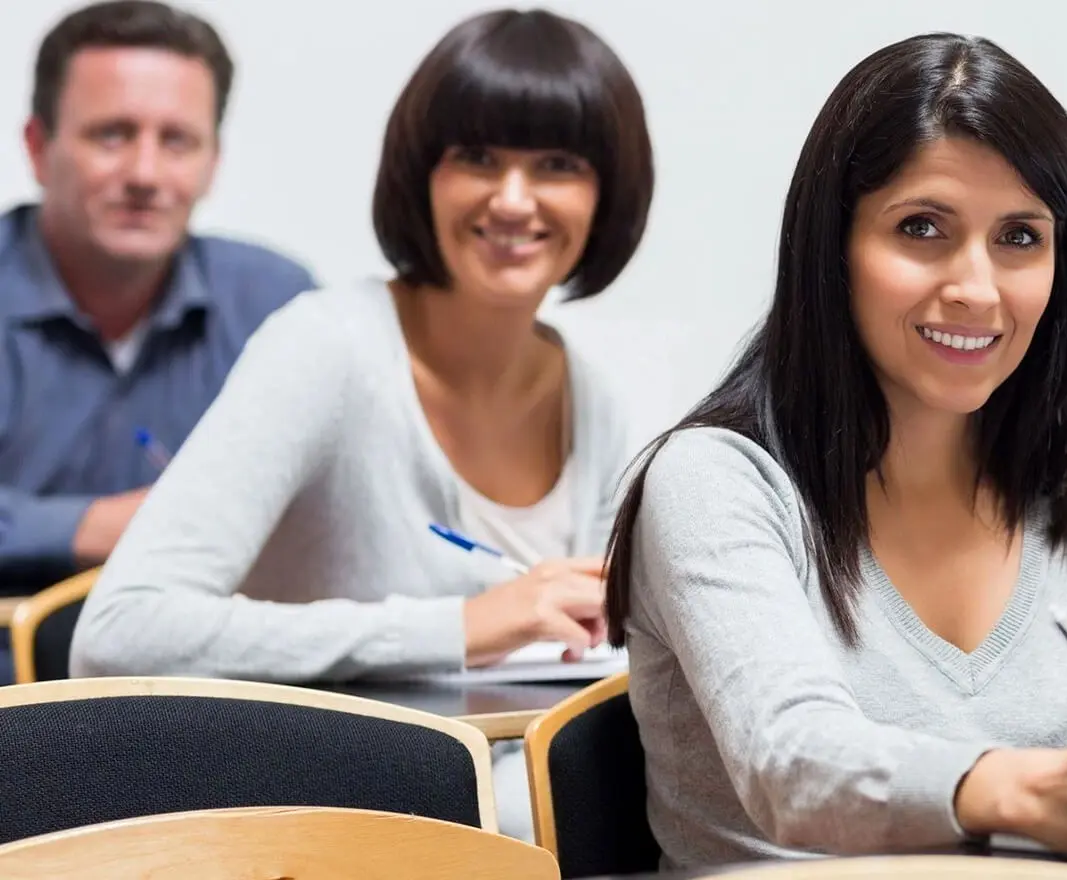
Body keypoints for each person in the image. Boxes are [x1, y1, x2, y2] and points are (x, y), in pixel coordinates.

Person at [603, 32, 1067, 868]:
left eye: (1019, 237)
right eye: (922, 227)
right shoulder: (716, 483)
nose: (976, 287)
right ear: (833, 248)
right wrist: (1031, 792)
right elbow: (797, 769)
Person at [67, 8, 652, 840]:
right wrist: (457, 628)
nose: (514, 199)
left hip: (509, 814)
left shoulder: (589, 391)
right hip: (320, 820)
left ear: (607, 194)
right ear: (423, 176)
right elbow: (122, 632)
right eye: (477, 157)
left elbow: (589, 677)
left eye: (557, 164)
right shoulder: (327, 348)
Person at [0, 0, 314, 594]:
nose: (145, 173)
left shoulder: (277, 305)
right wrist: (91, 527)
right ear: (38, 147)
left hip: (205, 675)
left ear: (212, 163)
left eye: (177, 141)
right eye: (112, 135)